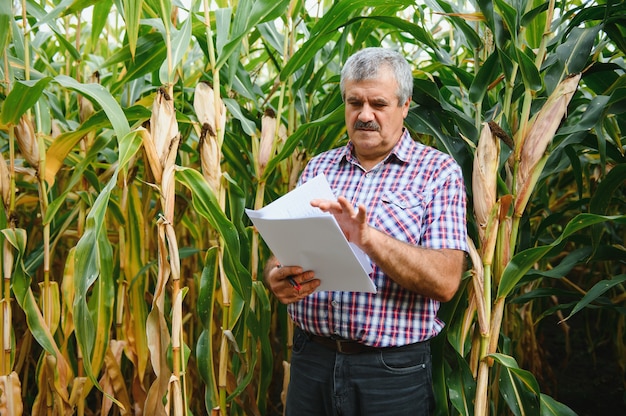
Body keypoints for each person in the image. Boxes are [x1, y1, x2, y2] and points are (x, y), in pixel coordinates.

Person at [263, 47, 468, 416]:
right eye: (354, 102)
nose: (365, 115)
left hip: (390, 372)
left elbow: (446, 279)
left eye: (378, 103)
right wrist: (274, 275)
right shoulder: (318, 168)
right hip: (312, 360)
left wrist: (368, 238)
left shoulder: (438, 173)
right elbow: (282, 253)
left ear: (405, 106)